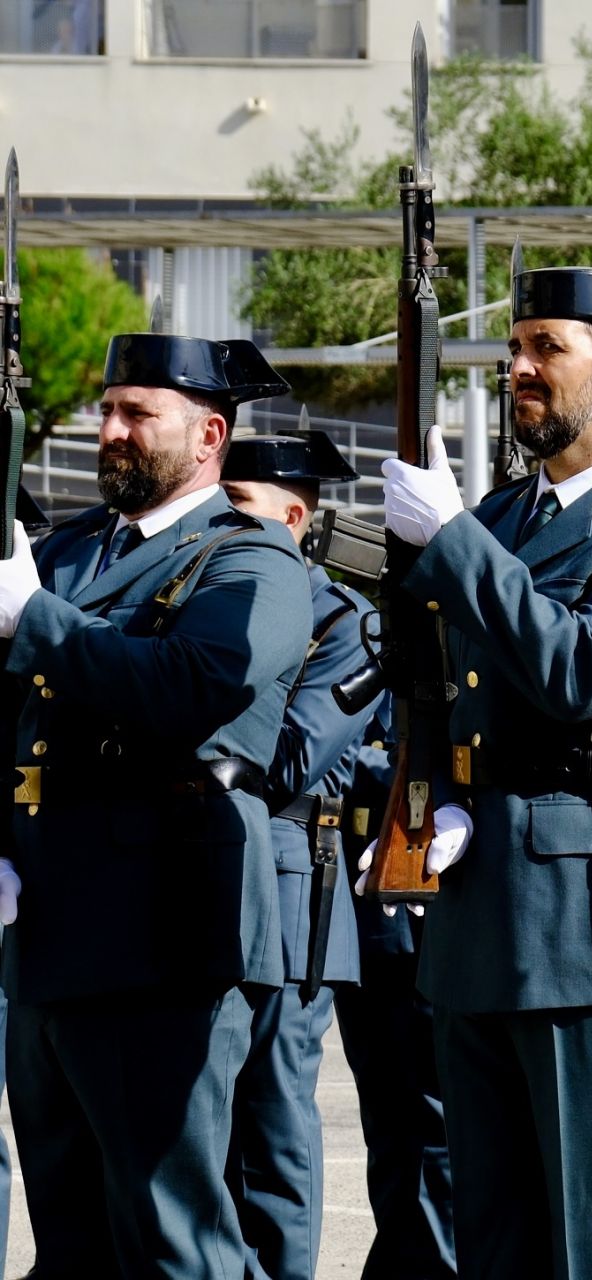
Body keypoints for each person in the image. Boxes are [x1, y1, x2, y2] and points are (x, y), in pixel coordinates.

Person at [370, 261, 592, 1276]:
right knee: (499, 1242)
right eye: (514, 346)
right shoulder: (503, 516)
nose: (516, 366)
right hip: (485, 916)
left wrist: (448, 542)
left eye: (544, 348)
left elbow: (584, 669)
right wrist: (436, 797)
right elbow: (436, 678)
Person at [0, 332, 311, 1275]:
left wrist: (37, 619)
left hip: (163, 929)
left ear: (210, 433)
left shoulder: (250, 560)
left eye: (139, 414)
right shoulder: (62, 553)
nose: (112, 431)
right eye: (107, 411)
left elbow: (194, 684)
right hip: (48, 924)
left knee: (171, 1234)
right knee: (69, 1233)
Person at [220, 427, 378, 1280]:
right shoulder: (203, 595)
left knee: (273, 1112)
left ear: (296, 516)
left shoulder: (341, 623)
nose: (225, 521)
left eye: (240, 506)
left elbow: (286, 761)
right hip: (206, 867)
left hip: (290, 883)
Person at [333, 702, 459, 1278]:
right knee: (387, 1123)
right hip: (376, 925)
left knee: (439, 1126)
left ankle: (431, 1263)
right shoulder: (381, 667)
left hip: (442, 924)